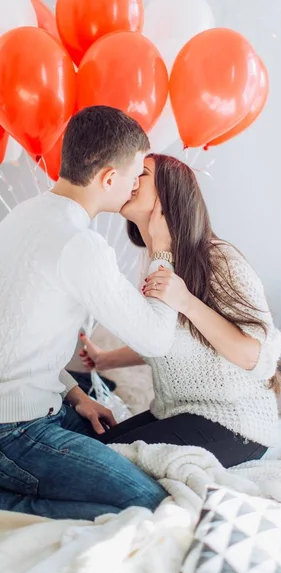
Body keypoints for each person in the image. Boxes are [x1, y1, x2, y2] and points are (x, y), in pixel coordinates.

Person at [0, 107, 180, 520]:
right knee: (149, 502)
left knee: (123, 443)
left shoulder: (22, 215)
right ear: (109, 179)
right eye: (135, 175)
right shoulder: (79, 243)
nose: (137, 186)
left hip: (37, 408)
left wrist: (74, 393)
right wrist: (161, 248)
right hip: (16, 431)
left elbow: (15, 342)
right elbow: (156, 339)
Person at [79, 154, 281, 468]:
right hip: (178, 412)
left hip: (236, 425)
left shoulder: (217, 259)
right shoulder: (153, 262)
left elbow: (254, 357)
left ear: (168, 193)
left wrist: (187, 301)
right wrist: (105, 360)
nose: (130, 179)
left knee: (99, 463)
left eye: (142, 173)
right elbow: (168, 340)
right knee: (90, 452)